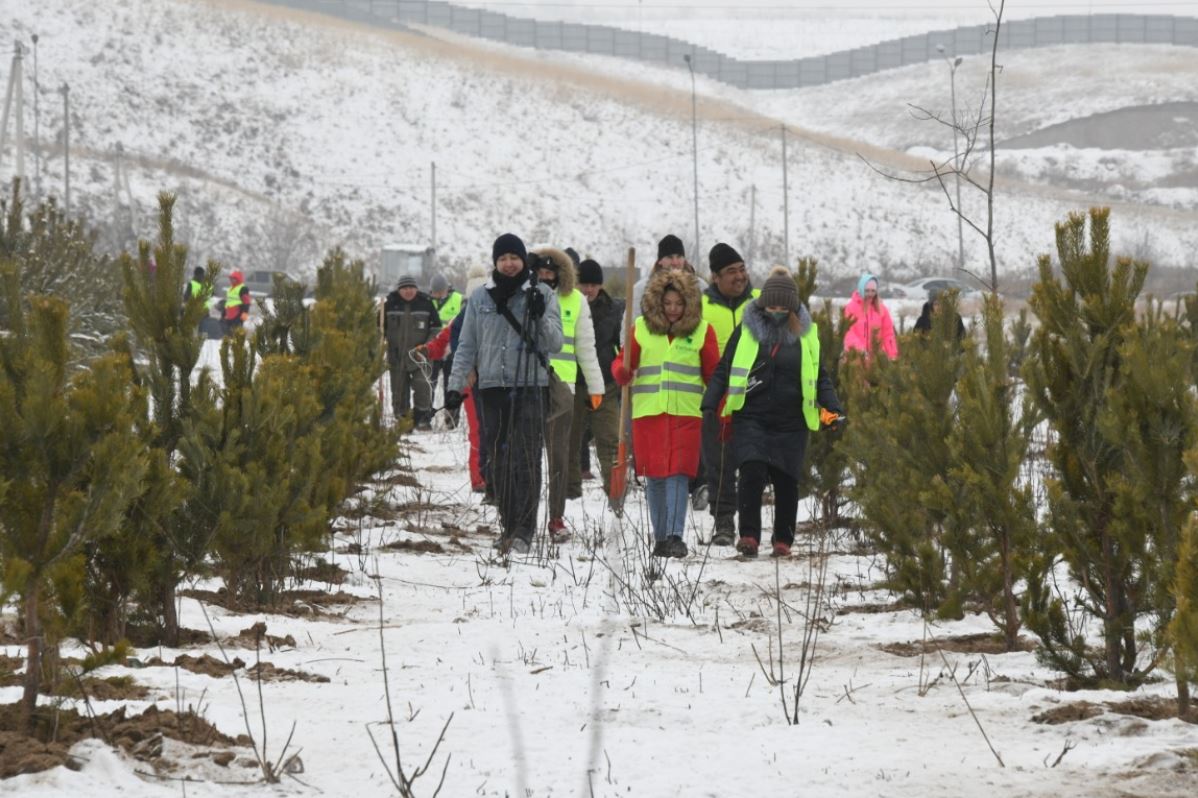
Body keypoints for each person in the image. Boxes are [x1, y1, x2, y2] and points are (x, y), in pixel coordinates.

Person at [703, 266, 844, 558]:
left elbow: (820, 376)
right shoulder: (746, 331)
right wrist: (710, 401)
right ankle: (749, 536)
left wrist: (833, 407)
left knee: (786, 480)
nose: (777, 312)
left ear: (792, 308)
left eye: (783, 308)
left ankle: (783, 539)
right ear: (762, 305)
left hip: (792, 421)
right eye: (771, 307)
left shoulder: (807, 335)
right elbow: (724, 369)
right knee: (751, 471)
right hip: (751, 416)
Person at [446, 234, 562, 555]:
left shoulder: (542, 294)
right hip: (492, 388)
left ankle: (524, 530)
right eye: (502, 258)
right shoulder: (480, 298)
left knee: (526, 459)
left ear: (523, 260)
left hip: (530, 386)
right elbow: (466, 345)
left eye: (514, 257)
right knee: (498, 461)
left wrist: (539, 316)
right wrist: (455, 387)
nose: (509, 264)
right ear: (495, 262)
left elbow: (555, 343)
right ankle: (508, 526)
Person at [613, 268, 719, 558]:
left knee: (678, 475)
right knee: (655, 476)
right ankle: (660, 538)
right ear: (657, 302)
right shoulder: (640, 329)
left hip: (686, 415)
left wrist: (721, 410)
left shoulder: (702, 331)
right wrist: (622, 371)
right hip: (648, 415)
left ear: (689, 304)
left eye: (679, 303)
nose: (673, 309)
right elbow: (623, 363)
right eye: (668, 303)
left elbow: (713, 374)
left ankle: (675, 535)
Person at [532, 246, 605, 542]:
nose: (545, 276)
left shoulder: (576, 300)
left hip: (563, 387)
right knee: (527, 455)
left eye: (550, 272)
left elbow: (586, 347)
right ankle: (523, 516)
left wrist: (596, 386)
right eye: (540, 271)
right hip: (528, 383)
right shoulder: (522, 295)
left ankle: (556, 516)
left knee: (559, 456)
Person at [700, 242, 760, 545]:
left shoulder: (760, 302)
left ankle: (751, 527)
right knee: (719, 465)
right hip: (717, 399)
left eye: (741, 269)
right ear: (715, 277)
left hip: (756, 398)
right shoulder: (701, 307)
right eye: (731, 271)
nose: (739, 276)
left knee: (752, 465)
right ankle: (723, 522)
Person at [420, 266, 489, 492]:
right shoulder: (463, 317)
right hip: (472, 381)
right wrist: (427, 350)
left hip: (489, 380)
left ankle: (488, 477)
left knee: (487, 430)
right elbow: (442, 340)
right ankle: (480, 478)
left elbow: (441, 341)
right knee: (479, 430)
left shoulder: (497, 316)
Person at [568, 258, 623, 500]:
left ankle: (615, 492)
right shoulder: (569, 306)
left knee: (609, 441)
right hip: (573, 385)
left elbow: (621, 344)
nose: (588, 290)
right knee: (570, 441)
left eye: (593, 285)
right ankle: (569, 491)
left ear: (600, 285)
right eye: (584, 284)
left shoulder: (614, 310)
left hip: (605, 386)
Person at [383, 275, 441, 431]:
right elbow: (380, 328)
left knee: (422, 386)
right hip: (397, 356)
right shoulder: (389, 304)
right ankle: (403, 421)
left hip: (420, 355)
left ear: (416, 289)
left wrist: (427, 346)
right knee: (399, 390)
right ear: (399, 290)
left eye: (411, 288)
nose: (408, 291)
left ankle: (422, 419)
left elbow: (436, 328)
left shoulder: (426, 303)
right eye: (404, 288)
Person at [630, 234, 708, 322]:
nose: (675, 262)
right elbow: (631, 322)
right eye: (669, 257)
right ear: (660, 261)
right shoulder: (641, 289)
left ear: (684, 259)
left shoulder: (700, 287)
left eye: (679, 257)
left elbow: (707, 320)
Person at [843, 272, 899, 361]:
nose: (870, 294)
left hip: (877, 360)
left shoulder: (882, 309)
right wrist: (861, 351)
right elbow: (848, 333)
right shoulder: (851, 308)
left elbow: (888, 334)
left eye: (873, 291)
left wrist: (892, 355)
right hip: (856, 359)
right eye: (867, 290)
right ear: (861, 289)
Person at [429, 273, 463, 417]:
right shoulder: (427, 301)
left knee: (452, 386)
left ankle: (451, 419)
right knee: (429, 384)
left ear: (446, 289)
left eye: (440, 292)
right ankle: (426, 417)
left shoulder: (459, 299)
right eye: (435, 292)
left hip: (452, 350)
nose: (438, 295)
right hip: (434, 349)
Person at [221, 270, 252, 336]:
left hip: (238, 313)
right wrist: (224, 312)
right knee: (227, 333)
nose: (231, 280)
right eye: (231, 279)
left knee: (236, 333)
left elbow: (247, 302)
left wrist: (245, 313)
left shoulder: (243, 288)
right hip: (229, 313)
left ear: (238, 279)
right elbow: (229, 301)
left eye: (233, 279)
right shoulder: (230, 289)